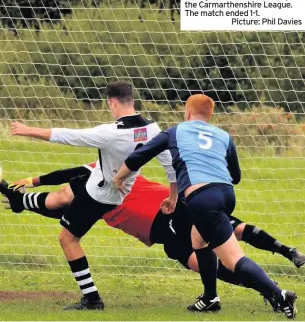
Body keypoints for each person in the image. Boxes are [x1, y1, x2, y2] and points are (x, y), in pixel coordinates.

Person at [0, 162, 305, 312]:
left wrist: (27, 191)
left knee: (230, 234)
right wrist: (20, 199)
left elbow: (61, 193)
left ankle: (283, 264)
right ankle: (273, 290)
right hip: (161, 231)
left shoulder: (98, 171)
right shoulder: (94, 193)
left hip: (167, 213)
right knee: (206, 259)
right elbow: (62, 206)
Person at [113, 94, 298, 318]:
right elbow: (236, 176)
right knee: (198, 240)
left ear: (187, 112)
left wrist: (119, 177)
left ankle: (279, 294)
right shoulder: (223, 136)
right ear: (210, 115)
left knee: (233, 259)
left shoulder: (175, 131)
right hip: (226, 194)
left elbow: (139, 156)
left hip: (201, 199)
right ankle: (210, 297)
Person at [9, 80, 176, 310]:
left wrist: (28, 130)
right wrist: (174, 196)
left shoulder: (110, 133)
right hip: (111, 192)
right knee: (65, 194)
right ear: (133, 101)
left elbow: (67, 136)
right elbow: (171, 166)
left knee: (67, 238)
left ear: (112, 102)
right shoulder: (153, 130)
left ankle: (92, 299)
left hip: (98, 195)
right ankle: (22, 200)